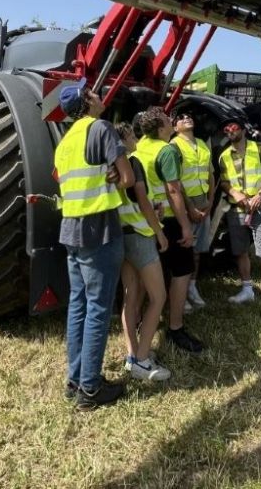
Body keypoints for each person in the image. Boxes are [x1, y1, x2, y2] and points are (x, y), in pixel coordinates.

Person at [54, 79, 134, 410]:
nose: (101, 95)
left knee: (78, 305)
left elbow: (62, 178)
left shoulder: (65, 140)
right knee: (98, 308)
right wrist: (117, 170)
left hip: (70, 229)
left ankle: (75, 381)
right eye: (94, 92)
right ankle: (90, 389)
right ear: (88, 100)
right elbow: (128, 178)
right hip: (98, 229)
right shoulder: (100, 128)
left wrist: (108, 172)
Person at [135, 106, 205, 353]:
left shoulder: (140, 145)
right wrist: (186, 226)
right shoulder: (166, 151)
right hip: (169, 221)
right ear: (162, 127)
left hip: (144, 221)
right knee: (182, 270)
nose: (172, 120)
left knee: (146, 276)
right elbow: (173, 190)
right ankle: (175, 327)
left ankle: (139, 321)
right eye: (168, 119)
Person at [114, 121, 172, 381]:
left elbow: (131, 202)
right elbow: (142, 201)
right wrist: (159, 231)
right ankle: (143, 359)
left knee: (130, 295)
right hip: (140, 236)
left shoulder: (110, 167)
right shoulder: (132, 162)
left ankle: (131, 355)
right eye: (131, 134)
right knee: (158, 297)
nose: (135, 138)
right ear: (124, 138)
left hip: (122, 236)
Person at [217, 115, 261, 325]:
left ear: (243, 130)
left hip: (259, 208)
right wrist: (235, 194)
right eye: (226, 129)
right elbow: (225, 183)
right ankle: (247, 289)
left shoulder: (259, 148)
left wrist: (260, 195)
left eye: (233, 127)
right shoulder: (224, 156)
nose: (229, 131)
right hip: (237, 210)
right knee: (240, 250)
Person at [171, 111, 217, 310]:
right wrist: (190, 208)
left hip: (203, 203)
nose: (186, 118)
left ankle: (192, 287)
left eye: (189, 116)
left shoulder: (202, 144)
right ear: (175, 127)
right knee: (184, 250)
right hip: (185, 203)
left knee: (197, 251)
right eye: (180, 118)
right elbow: (176, 182)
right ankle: (180, 294)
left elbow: (210, 175)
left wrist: (210, 202)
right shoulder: (174, 146)